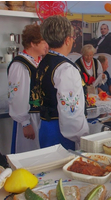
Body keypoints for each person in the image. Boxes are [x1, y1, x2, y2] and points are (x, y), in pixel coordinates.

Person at [37, 15, 89, 150]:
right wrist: (81, 136)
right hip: (61, 132)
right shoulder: (66, 69)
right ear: (67, 40)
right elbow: (71, 112)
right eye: (73, 37)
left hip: (45, 125)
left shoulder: (44, 62)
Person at [7, 24, 49, 153]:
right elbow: (17, 97)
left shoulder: (40, 61)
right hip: (30, 117)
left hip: (41, 116)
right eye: (43, 42)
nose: (47, 45)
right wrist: (25, 123)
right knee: (29, 153)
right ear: (33, 43)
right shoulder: (20, 65)